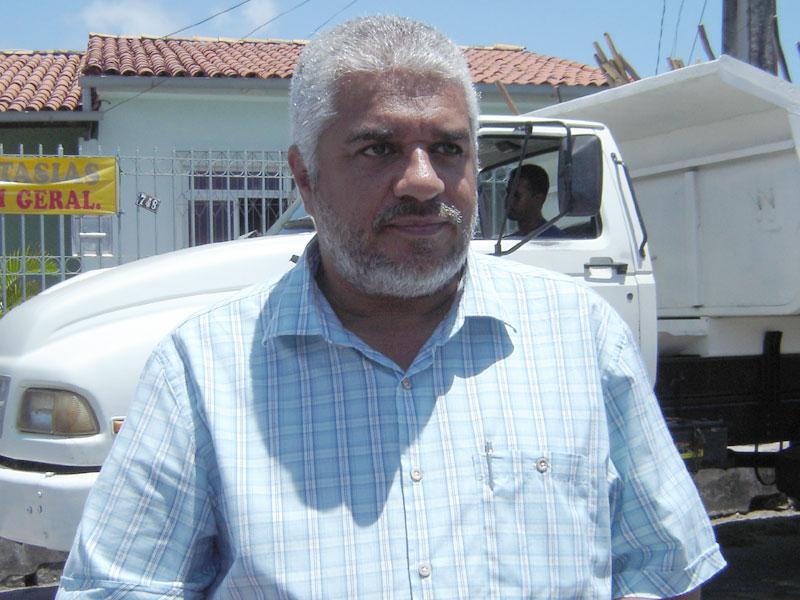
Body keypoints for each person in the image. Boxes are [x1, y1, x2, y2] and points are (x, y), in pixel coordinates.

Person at [57, 15, 725, 599]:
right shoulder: (201, 372)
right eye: (378, 148)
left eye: (449, 148)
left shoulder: (581, 337)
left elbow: (661, 570)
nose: (423, 181)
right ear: (305, 177)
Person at [506, 163, 562, 237]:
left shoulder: (555, 240)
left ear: (538, 199)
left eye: (517, 195)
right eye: (508, 193)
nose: (509, 200)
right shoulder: (510, 240)